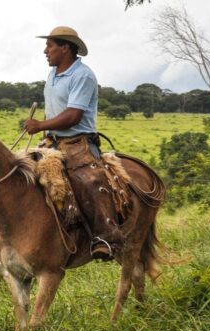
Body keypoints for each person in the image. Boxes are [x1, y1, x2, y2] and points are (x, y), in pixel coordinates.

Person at [23, 26, 121, 260]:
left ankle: (104, 237)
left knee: (90, 181)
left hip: (79, 142)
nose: (46, 51)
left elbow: (73, 116)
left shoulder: (83, 75)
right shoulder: (52, 75)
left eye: (50, 46)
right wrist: (44, 132)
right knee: (20, 174)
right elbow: (55, 112)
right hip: (53, 141)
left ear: (65, 48)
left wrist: (40, 125)